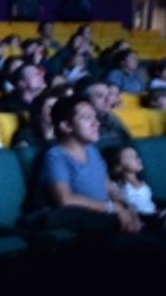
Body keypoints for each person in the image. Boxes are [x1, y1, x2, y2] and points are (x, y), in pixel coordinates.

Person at [40, 95, 140, 233]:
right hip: (82, 226)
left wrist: (126, 206)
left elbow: (108, 186)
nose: (96, 123)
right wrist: (111, 208)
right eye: (87, 118)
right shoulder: (57, 156)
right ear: (67, 126)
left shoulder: (93, 151)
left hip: (106, 217)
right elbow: (65, 199)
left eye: (95, 117)